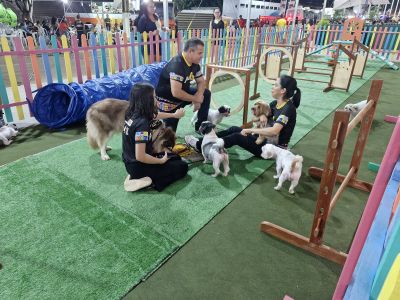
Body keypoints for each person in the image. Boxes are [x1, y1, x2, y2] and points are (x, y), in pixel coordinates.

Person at [185, 75, 301, 157]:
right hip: (262, 139)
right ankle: (203, 141)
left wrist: (249, 129)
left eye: (276, 85)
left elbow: (275, 131)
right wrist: (261, 116)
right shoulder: (275, 103)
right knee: (234, 129)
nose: (273, 86)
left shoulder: (288, 108)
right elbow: (255, 118)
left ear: (283, 90)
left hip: (274, 148)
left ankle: (200, 146)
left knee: (237, 137)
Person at [123, 82, 188, 192]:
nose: (156, 100)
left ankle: (136, 176)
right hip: (139, 166)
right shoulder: (142, 124)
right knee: (182, 167)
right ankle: (149, 181)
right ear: (146, 101)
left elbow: (155, 115)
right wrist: (160, 161)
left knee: (175, 157)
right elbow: (140, 156)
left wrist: (174, 115)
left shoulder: (131, 112)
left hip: (130, 162)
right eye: (153, 97)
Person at [155, 38, 211, 133]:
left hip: (183, 93)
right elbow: (176, 92)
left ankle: (201, 126)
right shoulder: (176, 64)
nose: (202, 56)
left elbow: (201, 81)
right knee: (169, 134)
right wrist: (195, 99)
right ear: (190, 51)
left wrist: (199, 95)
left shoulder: (194, 64)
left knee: (206, 93)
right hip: (168, 100)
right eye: (200, 53)